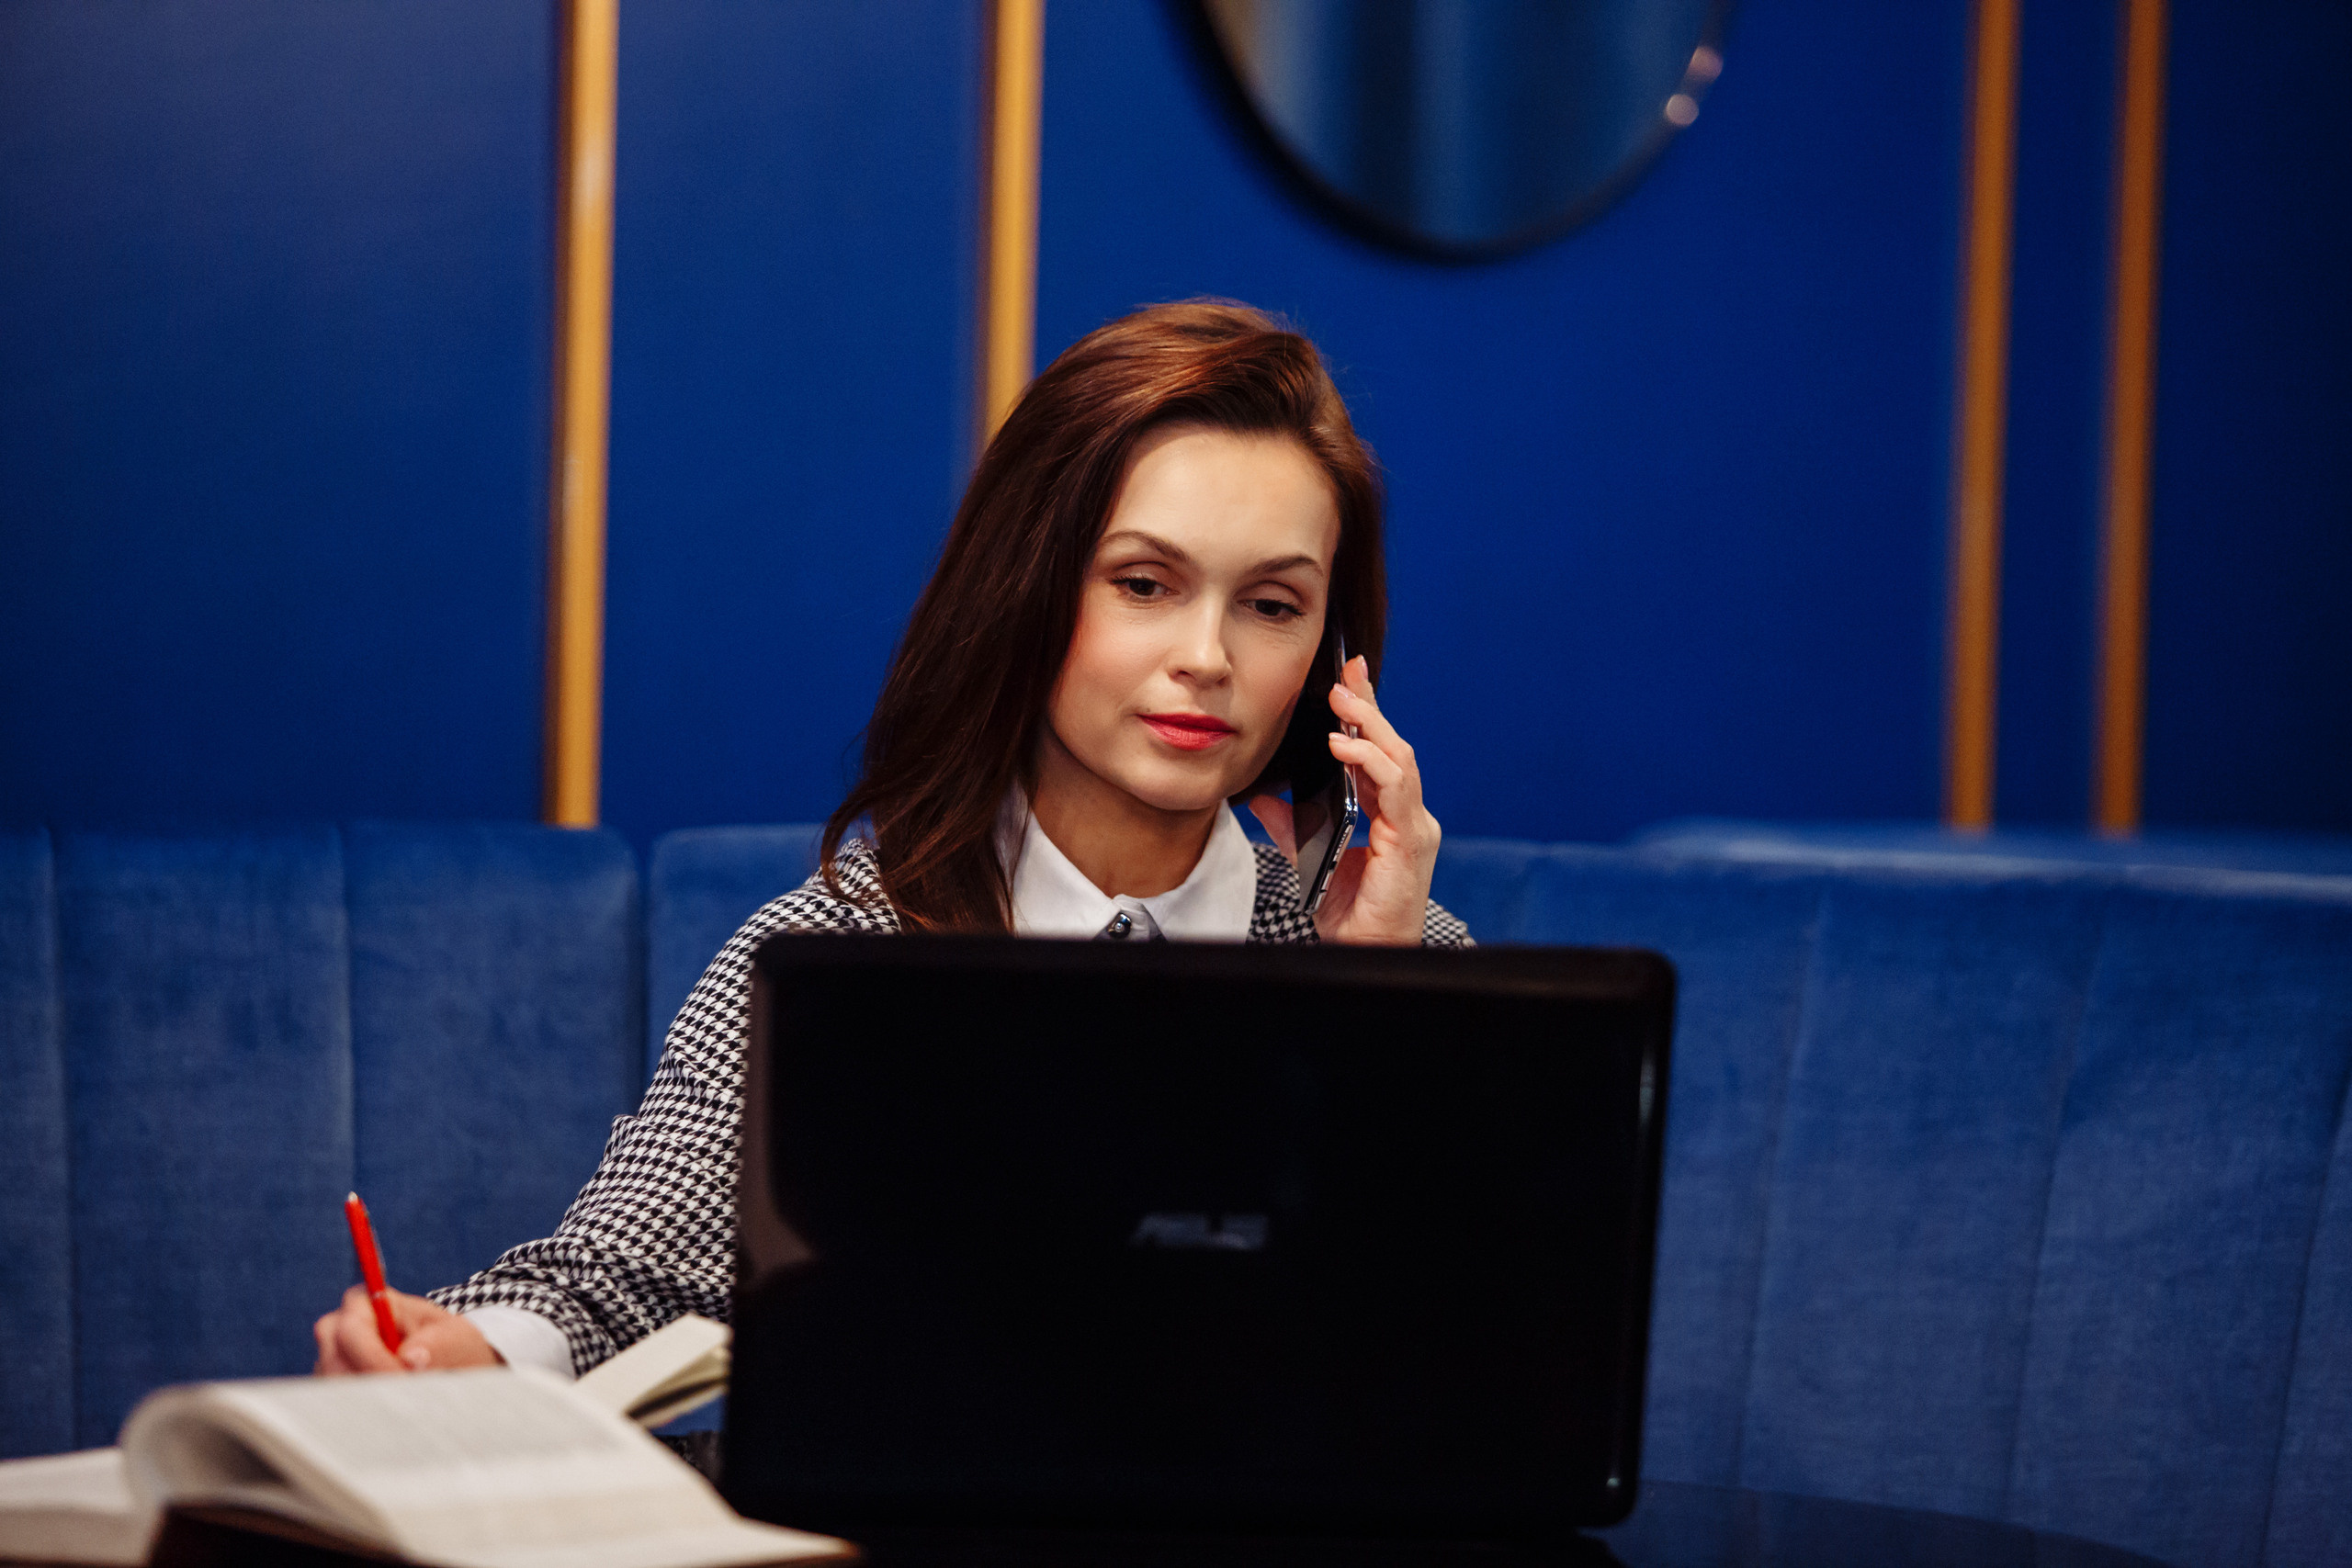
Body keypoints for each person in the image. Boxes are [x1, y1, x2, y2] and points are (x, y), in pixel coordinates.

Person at [313, 299, 1470, 1380]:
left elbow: (1461, 1352)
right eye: (1143, 583)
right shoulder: (844, 942)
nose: (1208, 658)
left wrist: (1363, 1002)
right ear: (1027, 587)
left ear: (1328, 656)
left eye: (1272, 605)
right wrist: (459, 1357)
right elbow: (622, 1273)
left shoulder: (1407, 958)